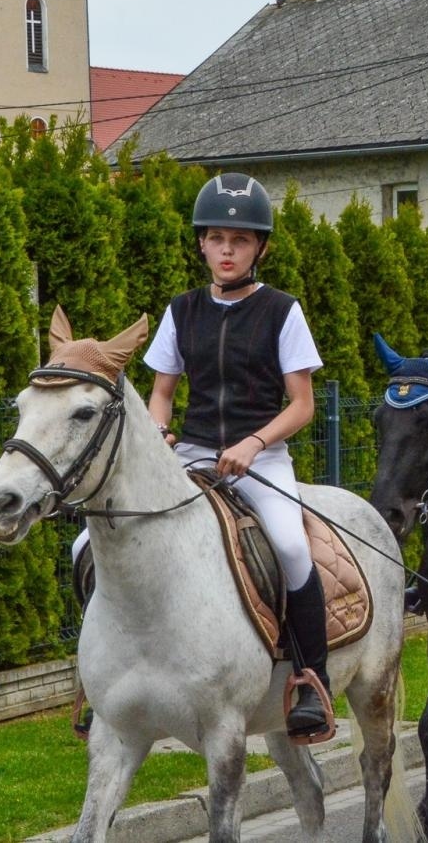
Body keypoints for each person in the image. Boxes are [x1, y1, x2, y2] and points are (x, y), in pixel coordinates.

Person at [145, 172, 331, 738]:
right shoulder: (181, 311)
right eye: (218, 238)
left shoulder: (282, 311)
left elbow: (302, 404)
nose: (227, 250)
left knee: (293, 548)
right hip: (194, 454)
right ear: (201, 242)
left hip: (262, 456)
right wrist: (158, 433)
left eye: (241, 240)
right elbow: (162, 392)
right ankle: (109, 675)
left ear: (260, 247)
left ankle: (310, 680)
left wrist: (255, 444)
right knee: (96, 539)